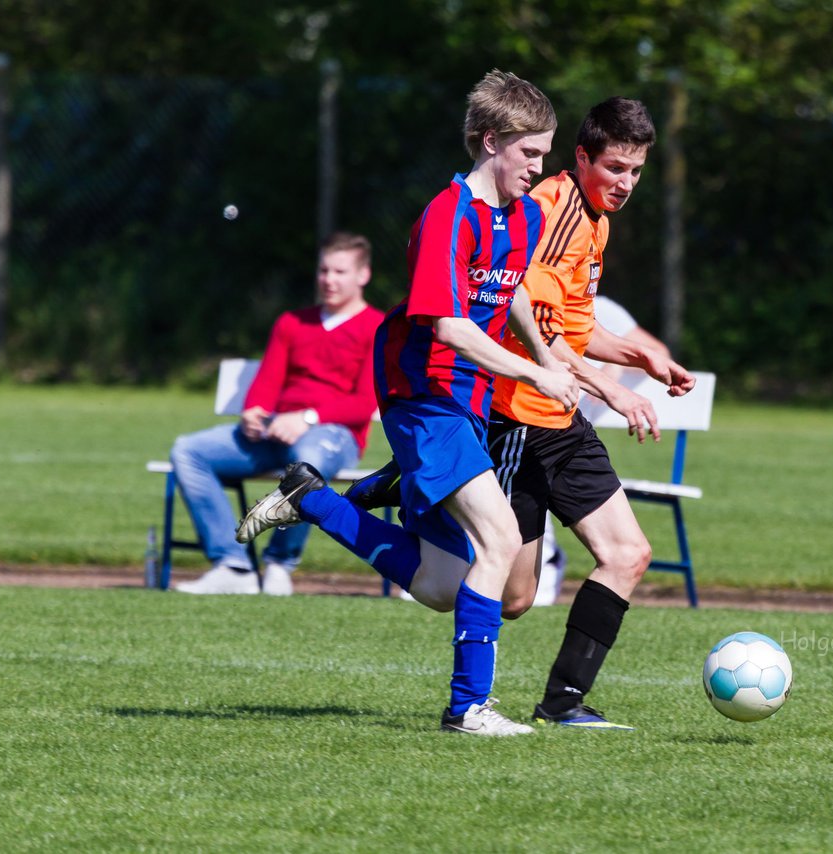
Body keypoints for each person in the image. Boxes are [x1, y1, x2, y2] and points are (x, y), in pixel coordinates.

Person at [236, 70, 579, 736]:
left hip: (468, 403)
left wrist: (545, 356)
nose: (540, 168)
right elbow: (448, 326)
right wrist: (539, 380)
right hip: (423, 397)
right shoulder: (447, 214)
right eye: (529, 153)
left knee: (441, 584)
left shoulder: (526, 214)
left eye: (544, 153)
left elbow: (507, 295)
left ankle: (316, 499)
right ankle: (468, 709)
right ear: (489, 142)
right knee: (501, 539)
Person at [488, 97, 696, 730]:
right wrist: (615, 390)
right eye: (615, 168)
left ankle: (563, 701)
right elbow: (534, 334)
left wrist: (643, 357)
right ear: (581, 158)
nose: (626, 184)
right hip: (517, 421)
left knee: (629, 553)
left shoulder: (595, 220)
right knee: (514, 599)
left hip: (560, 421)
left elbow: (577, 329)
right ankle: (384, 495)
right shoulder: (548, 213)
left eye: (636, 171)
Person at [171, 232, 383, 596]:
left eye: (339, 272)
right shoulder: (292, 322)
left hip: (333, 435)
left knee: (307, 462)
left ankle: (279, 564)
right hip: (275, 432)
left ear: (362, 275)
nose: (328, 280)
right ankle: (232, 564)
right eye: (323, 271)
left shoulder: (377, 326)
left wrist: (307, 419)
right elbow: (268, 380)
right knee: (188, 451)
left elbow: (365, 401)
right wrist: (253, 412)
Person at [533, 294, 671, 606]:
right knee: (515, 595)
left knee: (629, 554)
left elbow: (657, 353)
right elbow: (541, 336)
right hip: (532, 418)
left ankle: (548, 563)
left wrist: (612, 370)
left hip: (571, 430)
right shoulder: (539, 291)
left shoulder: (602, 308)